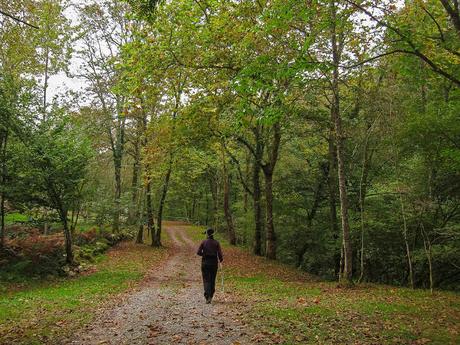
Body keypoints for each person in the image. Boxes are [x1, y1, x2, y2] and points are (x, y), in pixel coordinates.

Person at [196, 228, 223, 304]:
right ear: (213, 234)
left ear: (207, 234)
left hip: (205, 263)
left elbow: (198, 252)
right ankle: (210, 295)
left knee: (206, 279)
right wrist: (220, 260)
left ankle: (208, 296)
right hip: (214, 263)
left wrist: (204, 254)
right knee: (212, 279)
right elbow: (220, 254)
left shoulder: (204, 242)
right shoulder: (216, 243)